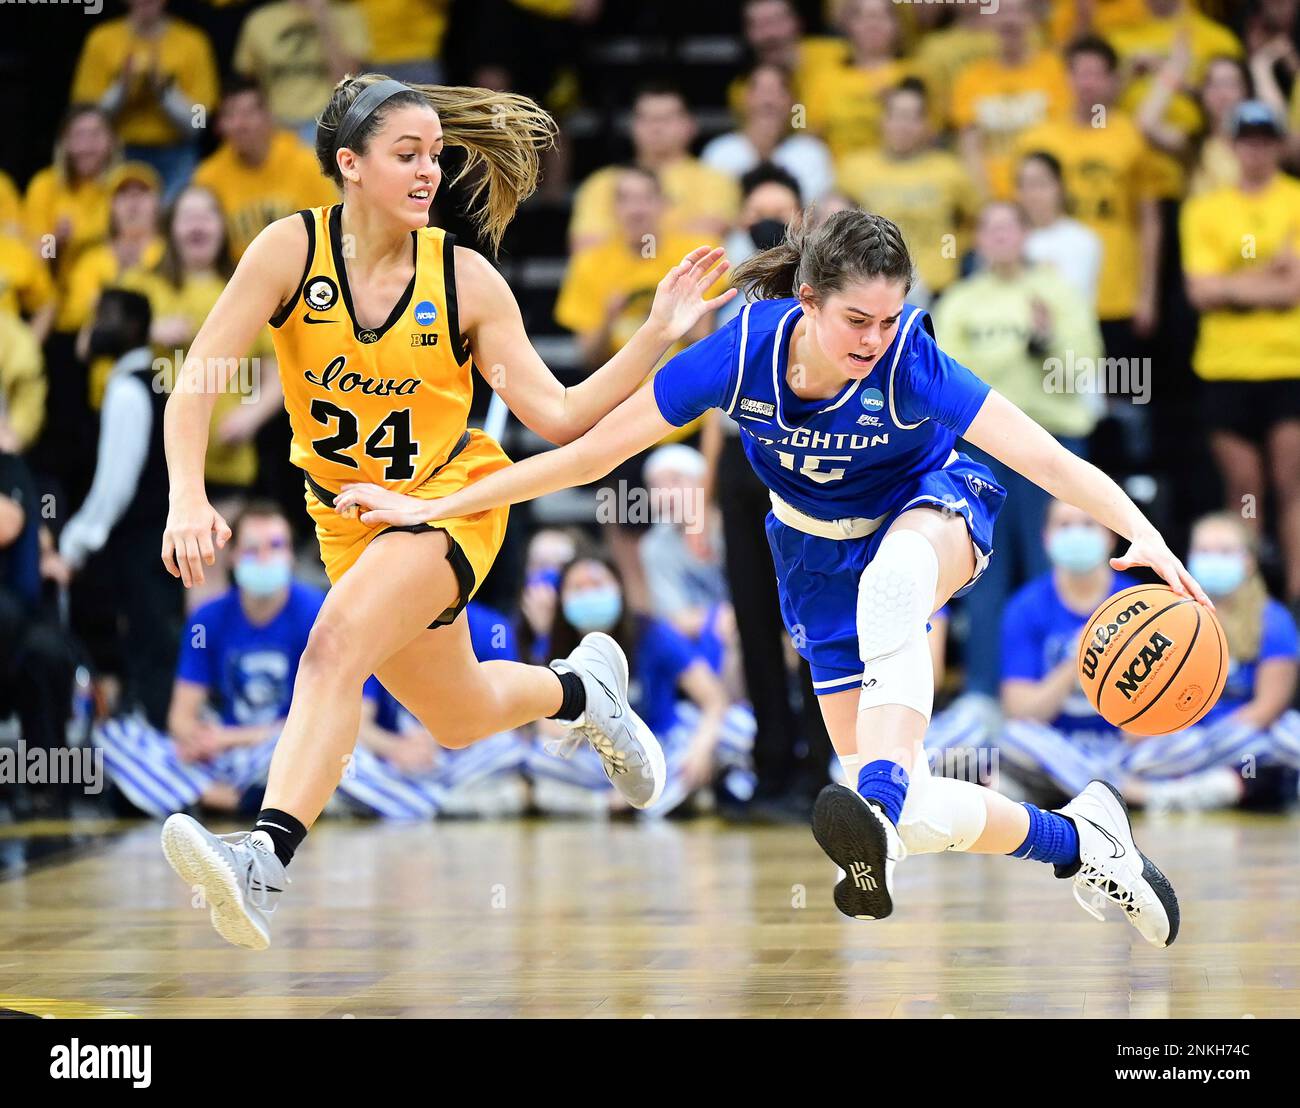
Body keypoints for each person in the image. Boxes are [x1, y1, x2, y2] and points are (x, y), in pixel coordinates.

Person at [342, 208, 1213, 948]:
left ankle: (874, 800)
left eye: (889, 318)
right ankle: (1081, 840)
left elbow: (1049, 458)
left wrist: (1146, 536)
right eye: (856, 322)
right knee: (900, 809)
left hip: (934, 506)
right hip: (810, 552)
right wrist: (437, 508)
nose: (875, 339)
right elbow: (584, 454)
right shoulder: (741, 354)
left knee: (896, 600)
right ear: (807, 303)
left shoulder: (912, 363)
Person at [156, 75, 735, 950]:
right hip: (349, 522)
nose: (430, 171)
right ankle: (584, 690)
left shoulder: (464, 279)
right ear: (350, 165)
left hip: (451, 504)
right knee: (457, 715)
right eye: (407, 155)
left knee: (331, 644)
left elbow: (563, 416)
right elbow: (194, 384)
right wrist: (187, 494)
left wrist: (656, 330)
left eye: (435, 155)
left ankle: (262, 861)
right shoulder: (287, 251)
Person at [933, 201, 1102, 703]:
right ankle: (986, 696)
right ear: (978, 239)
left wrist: (1046, 339)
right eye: (991, 227)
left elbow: (1081, 373)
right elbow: (942, 382)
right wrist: (1015, 361)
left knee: (1059, 571)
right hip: (979, 451)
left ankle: (1076, 697)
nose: (1001, 237)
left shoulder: (1058, 295)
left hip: (1052, 447)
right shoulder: (960, 301)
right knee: (982, 574)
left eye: (1010, 227)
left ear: (1026, 235)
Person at [93, 503, 326, 818]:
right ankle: (223, 798)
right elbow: (181, 717)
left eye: (276, 547)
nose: (265, 558)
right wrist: (197, 740)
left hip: (281, 746)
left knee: (328, 750)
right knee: (114, 737)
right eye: (252, 549)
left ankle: (186, 796)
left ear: (290, 554)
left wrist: (228, 738)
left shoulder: (318, 612)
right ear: (232, 556)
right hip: (223, 756)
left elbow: (321, 718)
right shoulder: (207, 618)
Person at [1181, 100, 1300, 612]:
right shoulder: (1205, 208)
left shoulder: (1296, 199)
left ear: (1277, 145)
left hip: (1287, 364)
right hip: (1226, 366)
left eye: (1265, 141)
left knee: (1291, 486)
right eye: (1246, 141)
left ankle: (1294, 600)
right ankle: (1242, 606)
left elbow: (1294, 289)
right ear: (1233, 147)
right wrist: (1268, 275)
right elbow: (1200, 293)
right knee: (1244, 489)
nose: (1255, 151)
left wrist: (1234, 284)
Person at [525, 554, 752, 818]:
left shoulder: (652, 633)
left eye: (597, 585)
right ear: (562, 600)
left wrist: (701, 748)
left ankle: (624, 802)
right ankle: (654, 798)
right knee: (537, 757)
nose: (588, 594)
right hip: (603, 757)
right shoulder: (555, 647)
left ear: (619, 589)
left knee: (740, 725)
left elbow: (713, 698)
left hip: (665, 743)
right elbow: (543, 723)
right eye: (577, 588)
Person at [60, 289, 182, 732]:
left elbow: (116, 485)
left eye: (106, 315)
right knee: (155, 647)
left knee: (147, 653)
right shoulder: (157, 381)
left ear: (133, 326)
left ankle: (153, 768)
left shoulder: (129, 388)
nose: (97, 325)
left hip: (139, 548)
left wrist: (76, 542)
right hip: (159, 544)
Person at [837, 81, 977, 302]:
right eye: (896, 115)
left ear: (926, 125)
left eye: (913, 117)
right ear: (883, 121)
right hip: (872, 288)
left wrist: (957, 248)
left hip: (939, 289)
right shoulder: (854, 169)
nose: (903, 125)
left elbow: (977, 217)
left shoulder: (949, 170)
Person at [70, 0, 218, 199]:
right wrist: (122, 88)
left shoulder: (192, 42)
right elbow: (86, 117)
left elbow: (198, 124)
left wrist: (164, 91)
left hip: (177, 152)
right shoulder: (102, 40)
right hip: (119, 152)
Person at [567, 86, 739, 254]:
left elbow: (711, 236)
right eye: (646, 119)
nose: (656, 128)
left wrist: (633, 235)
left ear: (689, 125)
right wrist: (674, 231)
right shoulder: (601, 182)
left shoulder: (714, 179)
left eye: (666, 119)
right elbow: (584, 246)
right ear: (633, 126)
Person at [192, 77, 338, 262]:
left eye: (249, 113)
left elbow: (332, 230)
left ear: (269, 117)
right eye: (230, 115)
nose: (240, 124)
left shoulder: (307, 163)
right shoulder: (207, 177)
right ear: (220, 126)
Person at [950, 0, 1070, 200]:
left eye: (1018, 11)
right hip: (993, 199)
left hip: (1043, 197)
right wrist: (987, 201)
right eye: (1002, 12)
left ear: (1032, 18)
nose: (1010, 20)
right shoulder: (971, 78)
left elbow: (1062, 136)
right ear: (989, 19)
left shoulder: (1055, 70)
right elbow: (970, 147)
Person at [701, 64, 834, 206]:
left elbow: (815, 214)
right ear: (744, 99)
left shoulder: (812, 152)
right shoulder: (719, 152)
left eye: (778, 92)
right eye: (760, 91)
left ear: (793, 103)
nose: (768, 101)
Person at [1017, 150, 1104, 307]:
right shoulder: (1010, 239)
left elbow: (1074, 298)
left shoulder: (1083, 240)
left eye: (1040, 184)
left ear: (1060, 187)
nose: (1032, 194)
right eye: (1024, 185)